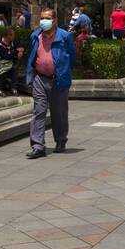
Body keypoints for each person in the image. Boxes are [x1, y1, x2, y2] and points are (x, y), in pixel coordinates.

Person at [25, 9, 76, 158]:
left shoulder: (65, 36)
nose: (43, 21)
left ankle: (60, 140)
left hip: (58, 80)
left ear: (54, 20)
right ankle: (38, 146)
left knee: (59, 113)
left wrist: (64, 71)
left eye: (47, 18)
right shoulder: (35, 35)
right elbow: (33, 55)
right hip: (40, 78)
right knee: (39, 111)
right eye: (41, 18)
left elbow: (72, 57)